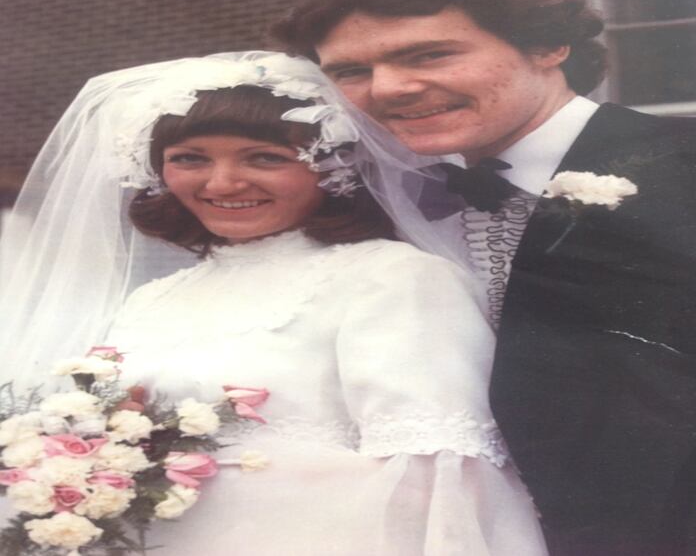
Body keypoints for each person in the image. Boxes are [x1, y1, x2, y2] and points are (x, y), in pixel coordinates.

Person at [272, 0, 696, 554]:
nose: (389, 88)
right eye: (351, 71)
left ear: (548, 46)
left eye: (428, 55)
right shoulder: (372, 214)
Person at [0, 52, 548, 555]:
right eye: (189, 158)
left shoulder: (394, 276)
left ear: (331, 168)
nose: (222, 183)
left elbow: (435, 470)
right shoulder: (154, 296)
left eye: (264, 158)